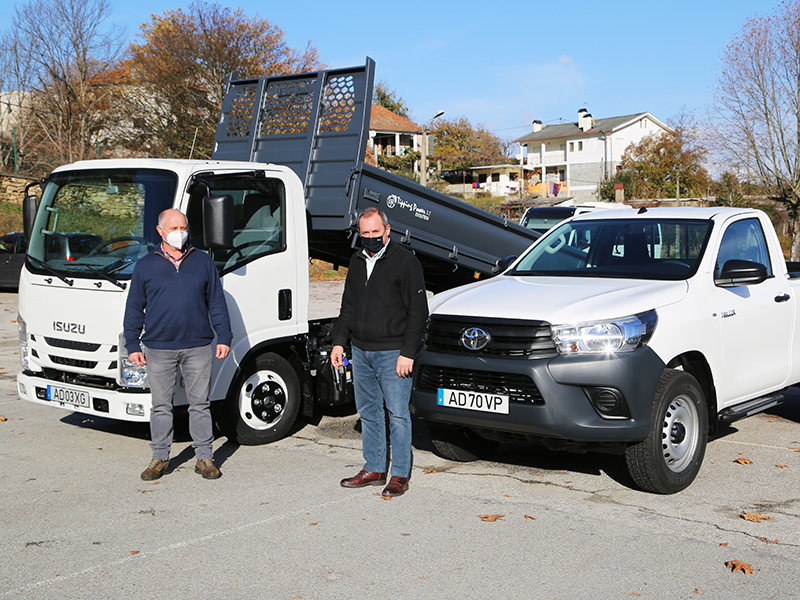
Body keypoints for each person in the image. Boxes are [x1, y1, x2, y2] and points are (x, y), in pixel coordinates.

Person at [124, 208, 232, 481]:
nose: (179, 232)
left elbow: (217, 302)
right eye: (173, 228)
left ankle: (204, 458)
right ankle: (159, 457)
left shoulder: (203, 261)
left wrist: (224, 336)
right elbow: (134, 308)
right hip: (158, 348)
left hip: (197, 345)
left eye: (183, 226)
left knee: (200, 404)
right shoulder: (146, 265)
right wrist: (132, 344)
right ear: (160, 231)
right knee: (161, 406)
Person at [332, 207, 428, 498]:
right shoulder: (357, 260)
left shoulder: (405, 262)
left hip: (393, 353)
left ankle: (399, 474)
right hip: (361, 351)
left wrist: (408, 353)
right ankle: (373, 468)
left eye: (376, 232)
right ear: (359, 233)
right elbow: (348, 305)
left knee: (397, 415)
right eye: (365, 233)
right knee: (369, 413)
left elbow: (418, 312)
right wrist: (339, 342)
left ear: (387, 230)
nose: (371, 238)